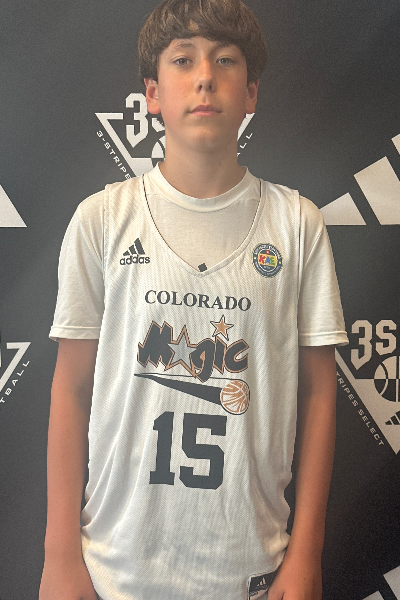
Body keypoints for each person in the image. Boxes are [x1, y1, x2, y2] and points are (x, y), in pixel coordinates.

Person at [39, 0, 348, 599]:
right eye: (184, 60)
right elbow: (71, 388)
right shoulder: (102, 220)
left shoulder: (297, 225)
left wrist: (306, 554)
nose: (205, 76)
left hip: (250, 569)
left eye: (225, 60)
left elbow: (317, 395)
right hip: (115, 569)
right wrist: (59, 555)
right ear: (153, 93)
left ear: (251, 92)